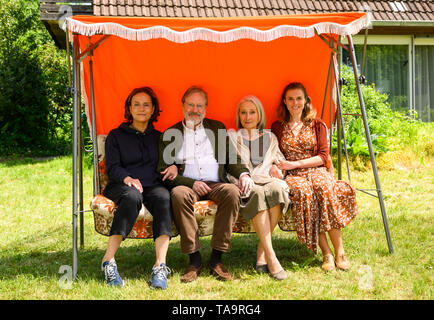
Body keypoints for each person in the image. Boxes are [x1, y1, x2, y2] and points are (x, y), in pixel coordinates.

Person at [157, 86, 254, 283]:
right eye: (191, 105)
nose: (195, 109)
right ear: (183, 106)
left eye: (199, 105)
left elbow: (231, 158)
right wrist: (191, 183)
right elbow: (163, 169)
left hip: (215, 182)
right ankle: (194, 260)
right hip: (187, 184)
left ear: (205, 109)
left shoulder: (216, 128)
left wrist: (244, 174)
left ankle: (216, 259)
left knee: (232, 192)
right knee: (178, 194)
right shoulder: (170, 133)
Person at [271, 82, 358, 271]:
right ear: (285, 102)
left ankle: (340, 251)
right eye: (291, 99)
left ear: (306, 100)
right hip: (292, 175)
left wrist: (296, 163)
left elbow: (323, 156)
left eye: (299, 98)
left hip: (315, 169)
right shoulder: (277, 126)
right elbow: (274, 153)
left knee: (323, 188)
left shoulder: (317, 124)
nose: (295, 103)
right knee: (305, 193)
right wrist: (277, 167)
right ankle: (326, 252)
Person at [102, 86, 177, 289]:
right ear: (129, 108)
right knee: (132, 197)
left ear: (153, 110)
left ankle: (160, 266)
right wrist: (127, 178)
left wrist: (174, 167)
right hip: (122, 185)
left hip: (153, 185)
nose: (141, 108)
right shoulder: (116, 135)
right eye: (136, 104)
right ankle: (108, 261)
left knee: (163, 197)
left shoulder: (161, 137)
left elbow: (171, 164)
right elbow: (112, 167)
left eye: (146, 105)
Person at [227, 95, 291, 280]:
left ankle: (262, 250)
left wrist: (276, 167)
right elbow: (230, 163)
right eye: (243, 112)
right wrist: (243, 176)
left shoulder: (270, 137)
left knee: (278, 189)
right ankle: (271, 258)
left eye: (252, 112)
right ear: (239, 115)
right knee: (257, 193)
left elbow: (279, 159)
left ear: (259, 114)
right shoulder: (232, 136)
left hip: (266, 178)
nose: (248, 117)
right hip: (243, 181)